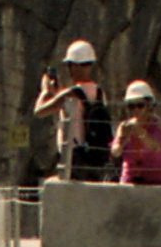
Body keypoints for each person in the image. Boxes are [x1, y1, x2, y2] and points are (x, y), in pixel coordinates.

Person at [33, 40, 113, 180]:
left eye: (69, 65)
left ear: (74, 66)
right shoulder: (100, 92)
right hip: (95, 157)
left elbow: (39, 111)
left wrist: (45, 91)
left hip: (74, 157)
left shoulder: (70, 93)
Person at [114, 79, 161, 185]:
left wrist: (139, 131)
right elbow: (116, 152)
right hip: (130, 180)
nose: (135, 110)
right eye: (131, 106)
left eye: (140, 105)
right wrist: (122, 139)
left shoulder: (159, 124)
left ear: (149, 105)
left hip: (157, 179)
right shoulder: (124, 126)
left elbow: (156, 147)